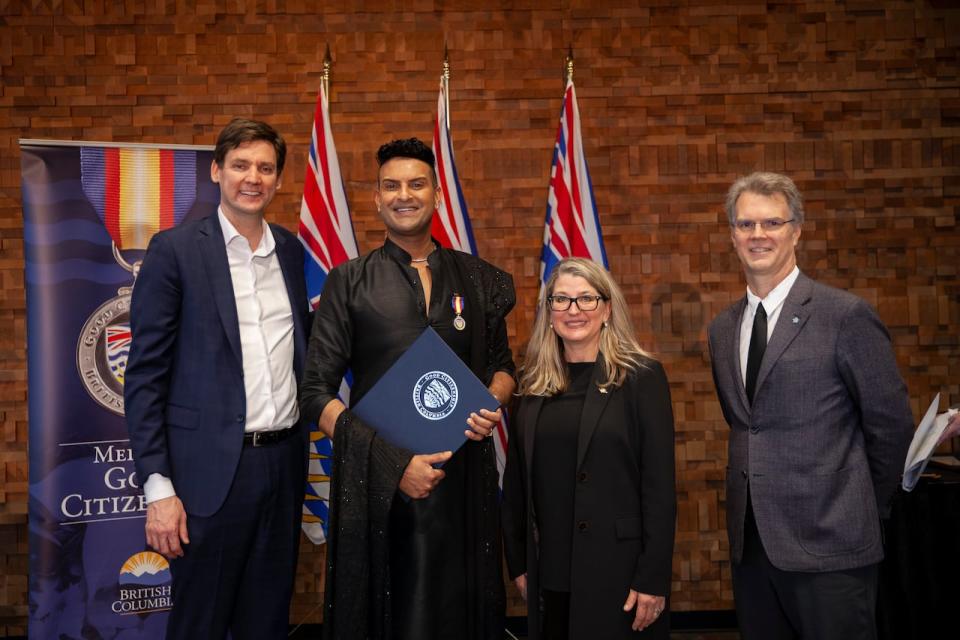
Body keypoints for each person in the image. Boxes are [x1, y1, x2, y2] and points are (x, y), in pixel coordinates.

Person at [299, 138, 516, 640]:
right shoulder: (348, 282)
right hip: (379, 487)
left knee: (461, 612)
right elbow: (315, 392)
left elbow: (505, 367)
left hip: (463, 480)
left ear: (436, 193)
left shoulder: (480, 280)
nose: (404, 194)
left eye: (417, 184)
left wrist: (492, 402)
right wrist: (391, 465)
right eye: (391, 185)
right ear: (376, 198)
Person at [124, 118, 310, 639]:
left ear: (278, 179)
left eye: (266, 168)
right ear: (216, 171)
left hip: (283, 464)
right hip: (207, 477)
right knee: (200, 622)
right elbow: (144, 379)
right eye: (241, 165)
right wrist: (158, 489)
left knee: (267, 620)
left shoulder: (292, 252)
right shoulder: (176, 250)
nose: (254, 178)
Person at [708, 172, 914, 639]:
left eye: (772, 223)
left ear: (796, 231)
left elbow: (891, 428)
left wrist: (857, 506)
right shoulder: (722, 329)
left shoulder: (845, 316)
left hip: (832, 548)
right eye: (745, 225)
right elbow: (746, 425)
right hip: (753, 550)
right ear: (732, 235)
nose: (757, 235)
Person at [501, 257, 676, 639]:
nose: (573, 310)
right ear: (549, 313)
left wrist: (653, 577)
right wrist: (518, 562)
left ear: (607, 308)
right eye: (561, 300)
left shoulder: (642, 378)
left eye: (586, 299)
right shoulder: (530, 387)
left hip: (623, 574)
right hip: (551, 574)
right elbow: (515, 483)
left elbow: (659, 488)